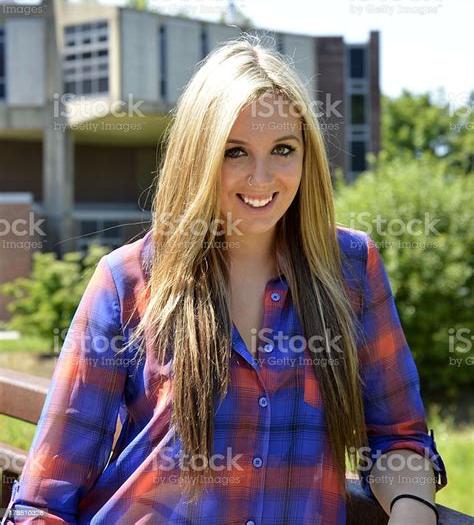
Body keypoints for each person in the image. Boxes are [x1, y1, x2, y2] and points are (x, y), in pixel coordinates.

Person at [3, 35, 447, 524]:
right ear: (199, 155)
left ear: (307, 156)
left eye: (282, 149)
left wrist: (413, 513)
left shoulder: (351, 268)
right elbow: (46, 495)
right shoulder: (125, 280)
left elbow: (398, 437)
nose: (261, 177)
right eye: (235, 152)